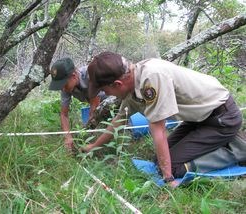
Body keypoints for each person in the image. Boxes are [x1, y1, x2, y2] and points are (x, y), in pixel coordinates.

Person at [82, 51, 246, 187]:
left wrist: (168, 179)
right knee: (158, 161)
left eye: (105, 90)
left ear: (117, 84)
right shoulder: (132, 84)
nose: (107, 95)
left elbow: (158, 128)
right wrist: (93, 146)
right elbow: (119, 120)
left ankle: (238, 150)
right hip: (198, 119)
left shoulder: (151, 78)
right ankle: (223, 141)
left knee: (173, 168)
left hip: (222, 119)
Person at [49, 57, 107, 152]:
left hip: (115, 98)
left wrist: (87, 135)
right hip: (98, 104)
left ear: (74, 75)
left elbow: (94, 109)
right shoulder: (66, 88)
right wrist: (68, 137)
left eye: (64, 84)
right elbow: (64, 114)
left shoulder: (90, 74)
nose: (62, 89)